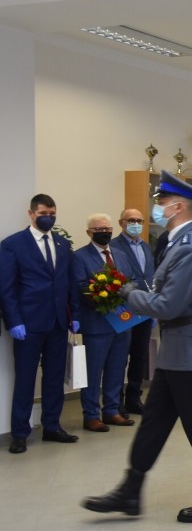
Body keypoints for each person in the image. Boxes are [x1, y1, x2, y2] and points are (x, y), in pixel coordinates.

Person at [81, 171, 192, 522]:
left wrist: (128, 292)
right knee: (154, 422)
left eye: (160, 202)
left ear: (178, 206)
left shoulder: (191, 248)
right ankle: (130, 491)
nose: (156, 207)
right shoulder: (178, 242)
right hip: (179, 350)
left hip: (191, 350)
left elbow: (167, 305)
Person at [0, 194, 81, 454]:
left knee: (54, 378)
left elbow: (68, 283)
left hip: (58, 322)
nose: (50, 217)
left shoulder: (61, 243)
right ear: (32, 214)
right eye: (45, 212)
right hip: (28, 325)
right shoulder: (13, 245)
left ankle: (52, 426)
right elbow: (7, 288)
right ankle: (20, 433)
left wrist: (74, 315)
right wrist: (13, 320)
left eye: (53, 213)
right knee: (25, 379)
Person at [73, 213, 137, 432]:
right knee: (93, 371)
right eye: (100, 230)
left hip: (122, 322)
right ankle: (91, 415)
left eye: (108, 229)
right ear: (90, 232)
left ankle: (111, 411)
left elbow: (131, 279)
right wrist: (104, 297)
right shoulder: (79, 257)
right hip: (96, 323)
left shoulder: (120, 254)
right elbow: (81, 286)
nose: (105, 232)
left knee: (117, 368)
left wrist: (127, 293)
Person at [110, 208, 155, 415]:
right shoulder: (113, 246)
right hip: (124, 310)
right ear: (121, 223)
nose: (136, 224)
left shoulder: (146, 247)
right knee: (120, 357)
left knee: (140, 356)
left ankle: (134, 398)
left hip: (145, 309)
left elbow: (151, 277)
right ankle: (115, 401)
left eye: (139, 220)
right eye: (131, 220)